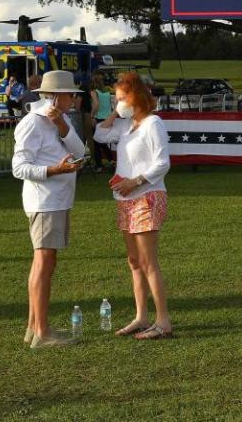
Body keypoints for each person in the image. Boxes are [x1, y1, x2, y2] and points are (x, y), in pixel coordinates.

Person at [94, 71, 174, 338]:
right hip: (125, 199)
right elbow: (99, 134)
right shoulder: (125, 127)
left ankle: (162, 321)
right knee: (134, 261)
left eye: (121, 99)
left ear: (136, 96)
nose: (118, 103)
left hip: (147, 197)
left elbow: (163, 163)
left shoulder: (154, 124)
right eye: (116, 99)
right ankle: (141, 317)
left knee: (148, 261)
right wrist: (117, 114)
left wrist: (135, 182)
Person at [11, 70, 86, 348]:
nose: (74, 100)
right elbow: (18, 168)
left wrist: (64, 128)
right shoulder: (33, 123)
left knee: (45, 262)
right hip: (44, 201)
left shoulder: (61, 119)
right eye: (70, 95)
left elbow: (81, 153)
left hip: (57, 200)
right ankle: (41, 332)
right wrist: (56, 170)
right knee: (44, 263)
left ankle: (34, 327)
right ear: (55, 96)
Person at [90, 73, 115, 171]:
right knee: (103, 142)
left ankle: (99, 166)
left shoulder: (94, 92)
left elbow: (96, 104)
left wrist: (92, 115)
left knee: (96, 143)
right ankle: (111, 161)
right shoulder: (107, 92)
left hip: (98, 118)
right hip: (107, 118)